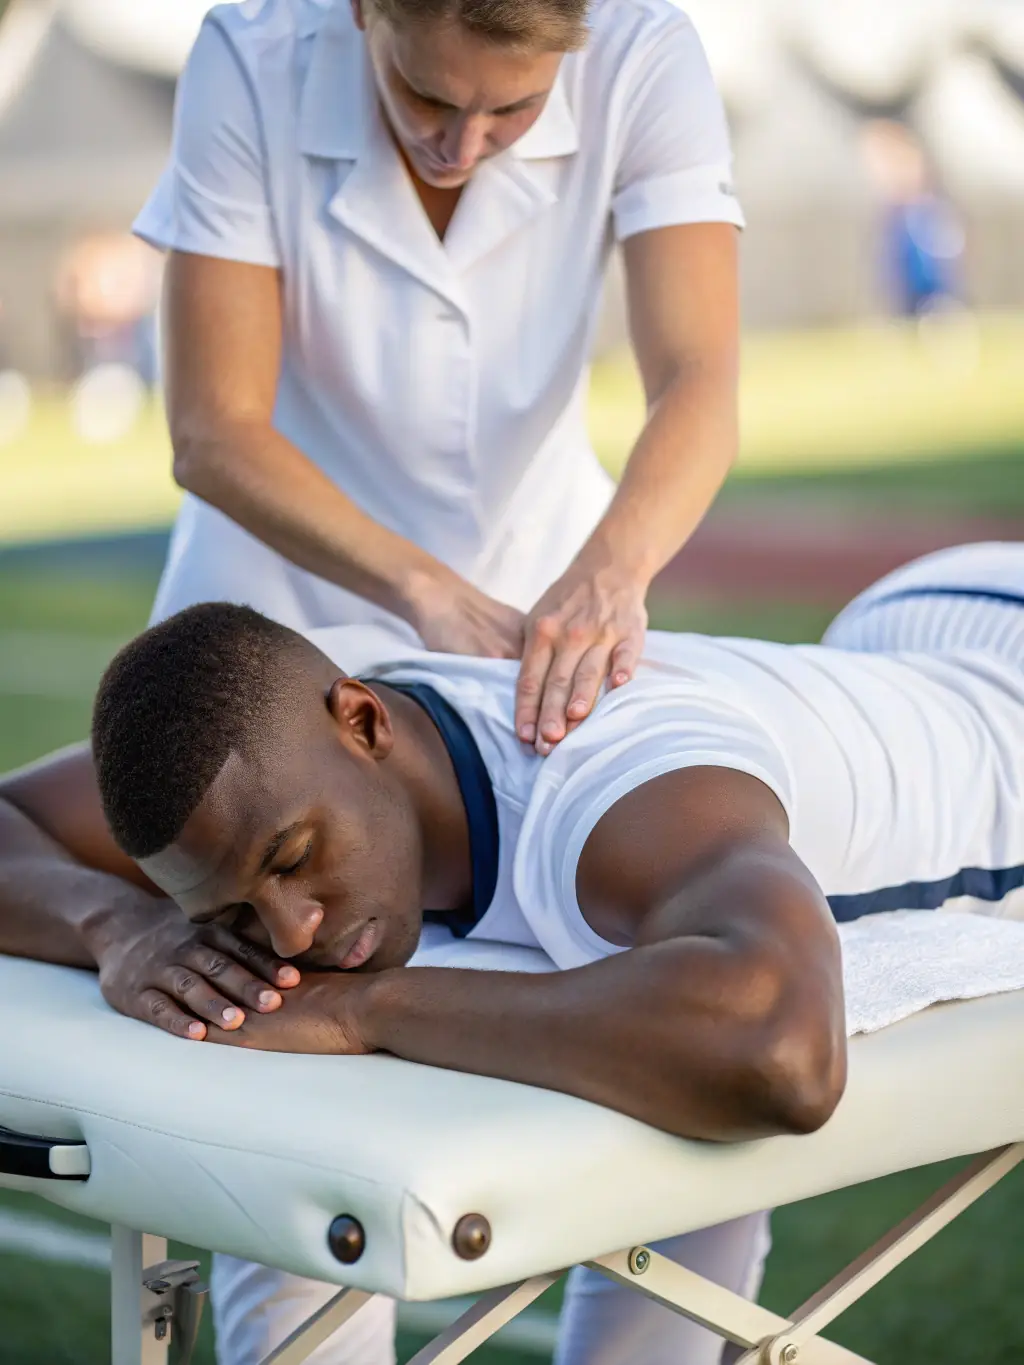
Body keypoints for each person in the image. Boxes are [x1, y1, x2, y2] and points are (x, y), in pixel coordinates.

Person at [3, 541, 1024, 1363]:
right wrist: (121, 927)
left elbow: (782, 1051)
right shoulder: (269, 754)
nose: (291, 935)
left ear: (362, 719)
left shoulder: (617, 789)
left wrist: (373, 1011)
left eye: (295, 860)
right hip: (890, 647)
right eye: (231, 914)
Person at [134, 0, 744, 756]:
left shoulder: (645, 56)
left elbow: (698, 376)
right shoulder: (251, 58)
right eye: (428, 97)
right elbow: (213, 431)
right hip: (275, 595)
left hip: (537, 594)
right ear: (364, 9)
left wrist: (612, 571)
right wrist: (428, 589)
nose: (462, 147)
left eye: (517, 106)